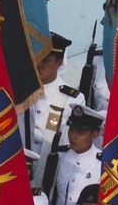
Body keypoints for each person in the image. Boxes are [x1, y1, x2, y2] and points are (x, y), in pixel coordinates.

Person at [21, 32, 78, 169]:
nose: (39, 64)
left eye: (46, 60)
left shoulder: (70, 98)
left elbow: (66, 144)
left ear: (59, 63)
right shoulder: (20, 91)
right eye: (37, 57)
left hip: (50, 168)